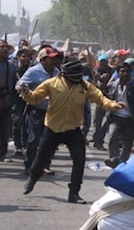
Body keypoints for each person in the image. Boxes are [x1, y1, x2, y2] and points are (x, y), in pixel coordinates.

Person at [21, 59, 126, 204]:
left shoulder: (85, 86)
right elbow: (34, 98)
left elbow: (101, 99)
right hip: (52, 128)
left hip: (73, 129)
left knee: (79, 160)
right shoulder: (51, 83)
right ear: (65, 75)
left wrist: (114, 105)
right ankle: (32, 179)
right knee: (41, 159)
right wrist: (26, 93)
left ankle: (74, 193)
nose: (75, 80)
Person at [16, 47, 61, 175]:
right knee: (34, 139)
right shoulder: (33, 71)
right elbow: (20, 84)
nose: (54, 61)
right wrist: (23, 89)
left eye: (55, 58)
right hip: (36, 111)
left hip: (52, 112)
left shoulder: (57, 72)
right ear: (42, 60)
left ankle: (45, 164)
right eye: (51, 58)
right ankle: (29, 165)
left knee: (49, 140)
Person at [104, 60, 134, 167]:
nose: (125, 74)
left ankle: (122, 162)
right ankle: (113, 158)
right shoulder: (113, 85)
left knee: (127, 143)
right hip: (116, 116)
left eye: (127, 72)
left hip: (130, 118)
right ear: (118, 73)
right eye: (122, 71)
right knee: (112, 137)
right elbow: (105, 96)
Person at [0, 39, 17, 161]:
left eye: (6, 47)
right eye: (2, 46)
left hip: (7, 99)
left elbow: (14, 82)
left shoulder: (11, 65)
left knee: (5, 127)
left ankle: (2, 152)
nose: (5, 49)